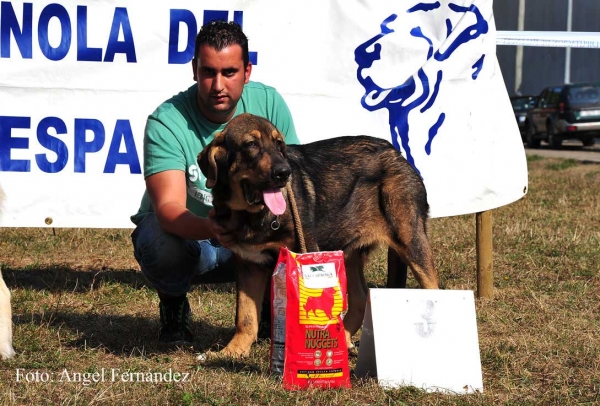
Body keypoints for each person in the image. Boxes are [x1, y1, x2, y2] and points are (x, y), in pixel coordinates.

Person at [130, 20, 299, 344]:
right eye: (208, 72)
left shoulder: (270, 104)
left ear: (247, 72)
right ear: (194, 69)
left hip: (258, 234)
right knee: (159, 244)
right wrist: (220, 228)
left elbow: (292, 173)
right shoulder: (167, 121)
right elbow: (168, 208)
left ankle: (267, 312)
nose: (218, 84)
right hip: (202, 241)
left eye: (230, 72)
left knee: (293, 232)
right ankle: (174, 303)